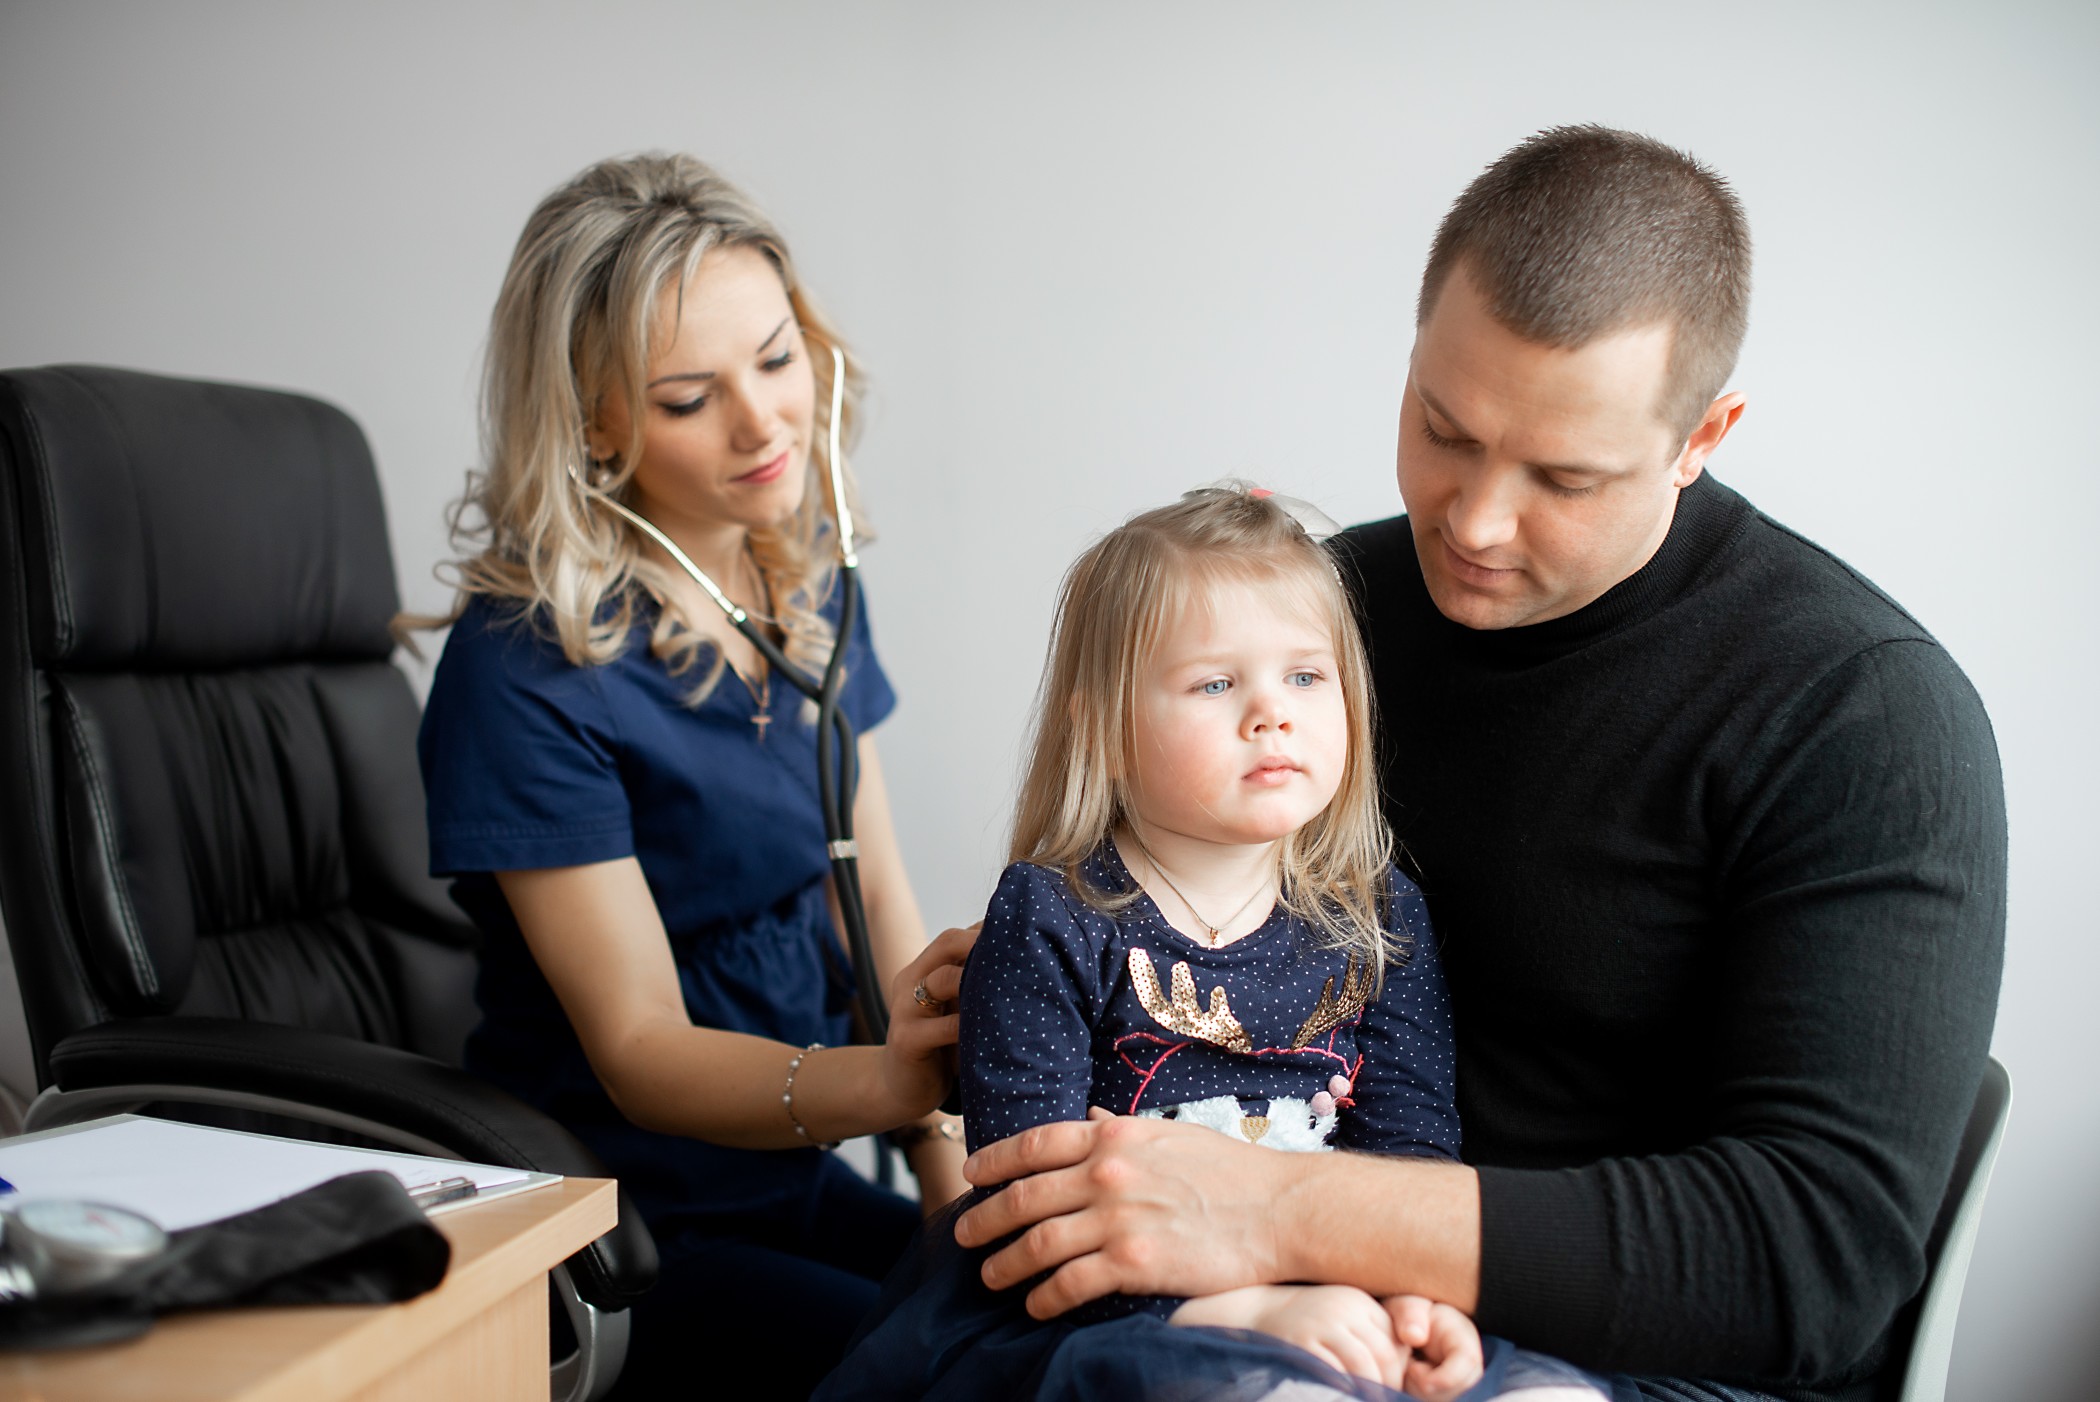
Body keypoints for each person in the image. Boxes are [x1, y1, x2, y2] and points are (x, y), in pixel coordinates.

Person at [948, 127, 2007, 1402]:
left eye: (1563, 475)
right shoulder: (1325, 625)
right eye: (1444, 430)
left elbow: (1809, 1265)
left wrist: (1286, 1210)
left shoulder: (1864, 717)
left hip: (1642, 1364)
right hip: (1267, 1301)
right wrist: (1013, 994)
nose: (1474, 521)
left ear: (1703, 435)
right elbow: (1149, 896)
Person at [819, 488, 1612, 1402]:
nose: (1271, 714)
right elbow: (1026, 1200)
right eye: (1216, 683)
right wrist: (1249, 1313)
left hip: (1337, 1281)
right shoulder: (1052, 913)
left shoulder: (1378, 913)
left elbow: (1410, 1150)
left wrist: (1410, 1302)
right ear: (1106, 727)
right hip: (1114, 1310)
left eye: (1305, 678)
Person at [410, 152, 972, 1400]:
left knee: (1054, 1315)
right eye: (687, 396)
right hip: (627, 1221)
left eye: (777, 358)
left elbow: (872, 893)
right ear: (594, 421)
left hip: (789, 1170)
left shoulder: (803, 576)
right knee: (960, 1377)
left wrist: (949, 1169)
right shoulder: (524, 670)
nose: (764, 421)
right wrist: (881, 1082)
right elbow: (640, 1045)